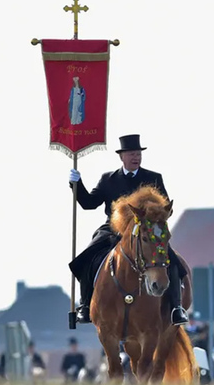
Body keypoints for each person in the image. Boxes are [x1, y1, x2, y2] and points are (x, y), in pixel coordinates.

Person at [68, 134, 188, 325]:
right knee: (88, 257)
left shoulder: (153, 178)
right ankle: (84, 306)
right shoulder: (108, 179)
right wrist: (76, 184)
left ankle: (176, 307)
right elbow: (88, 204)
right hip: (114, 229)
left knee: (169, 259)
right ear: (122, 156)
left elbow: (164, 208)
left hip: (146, 231)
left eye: (138, 153)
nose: (136, 157)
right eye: (132, 154)